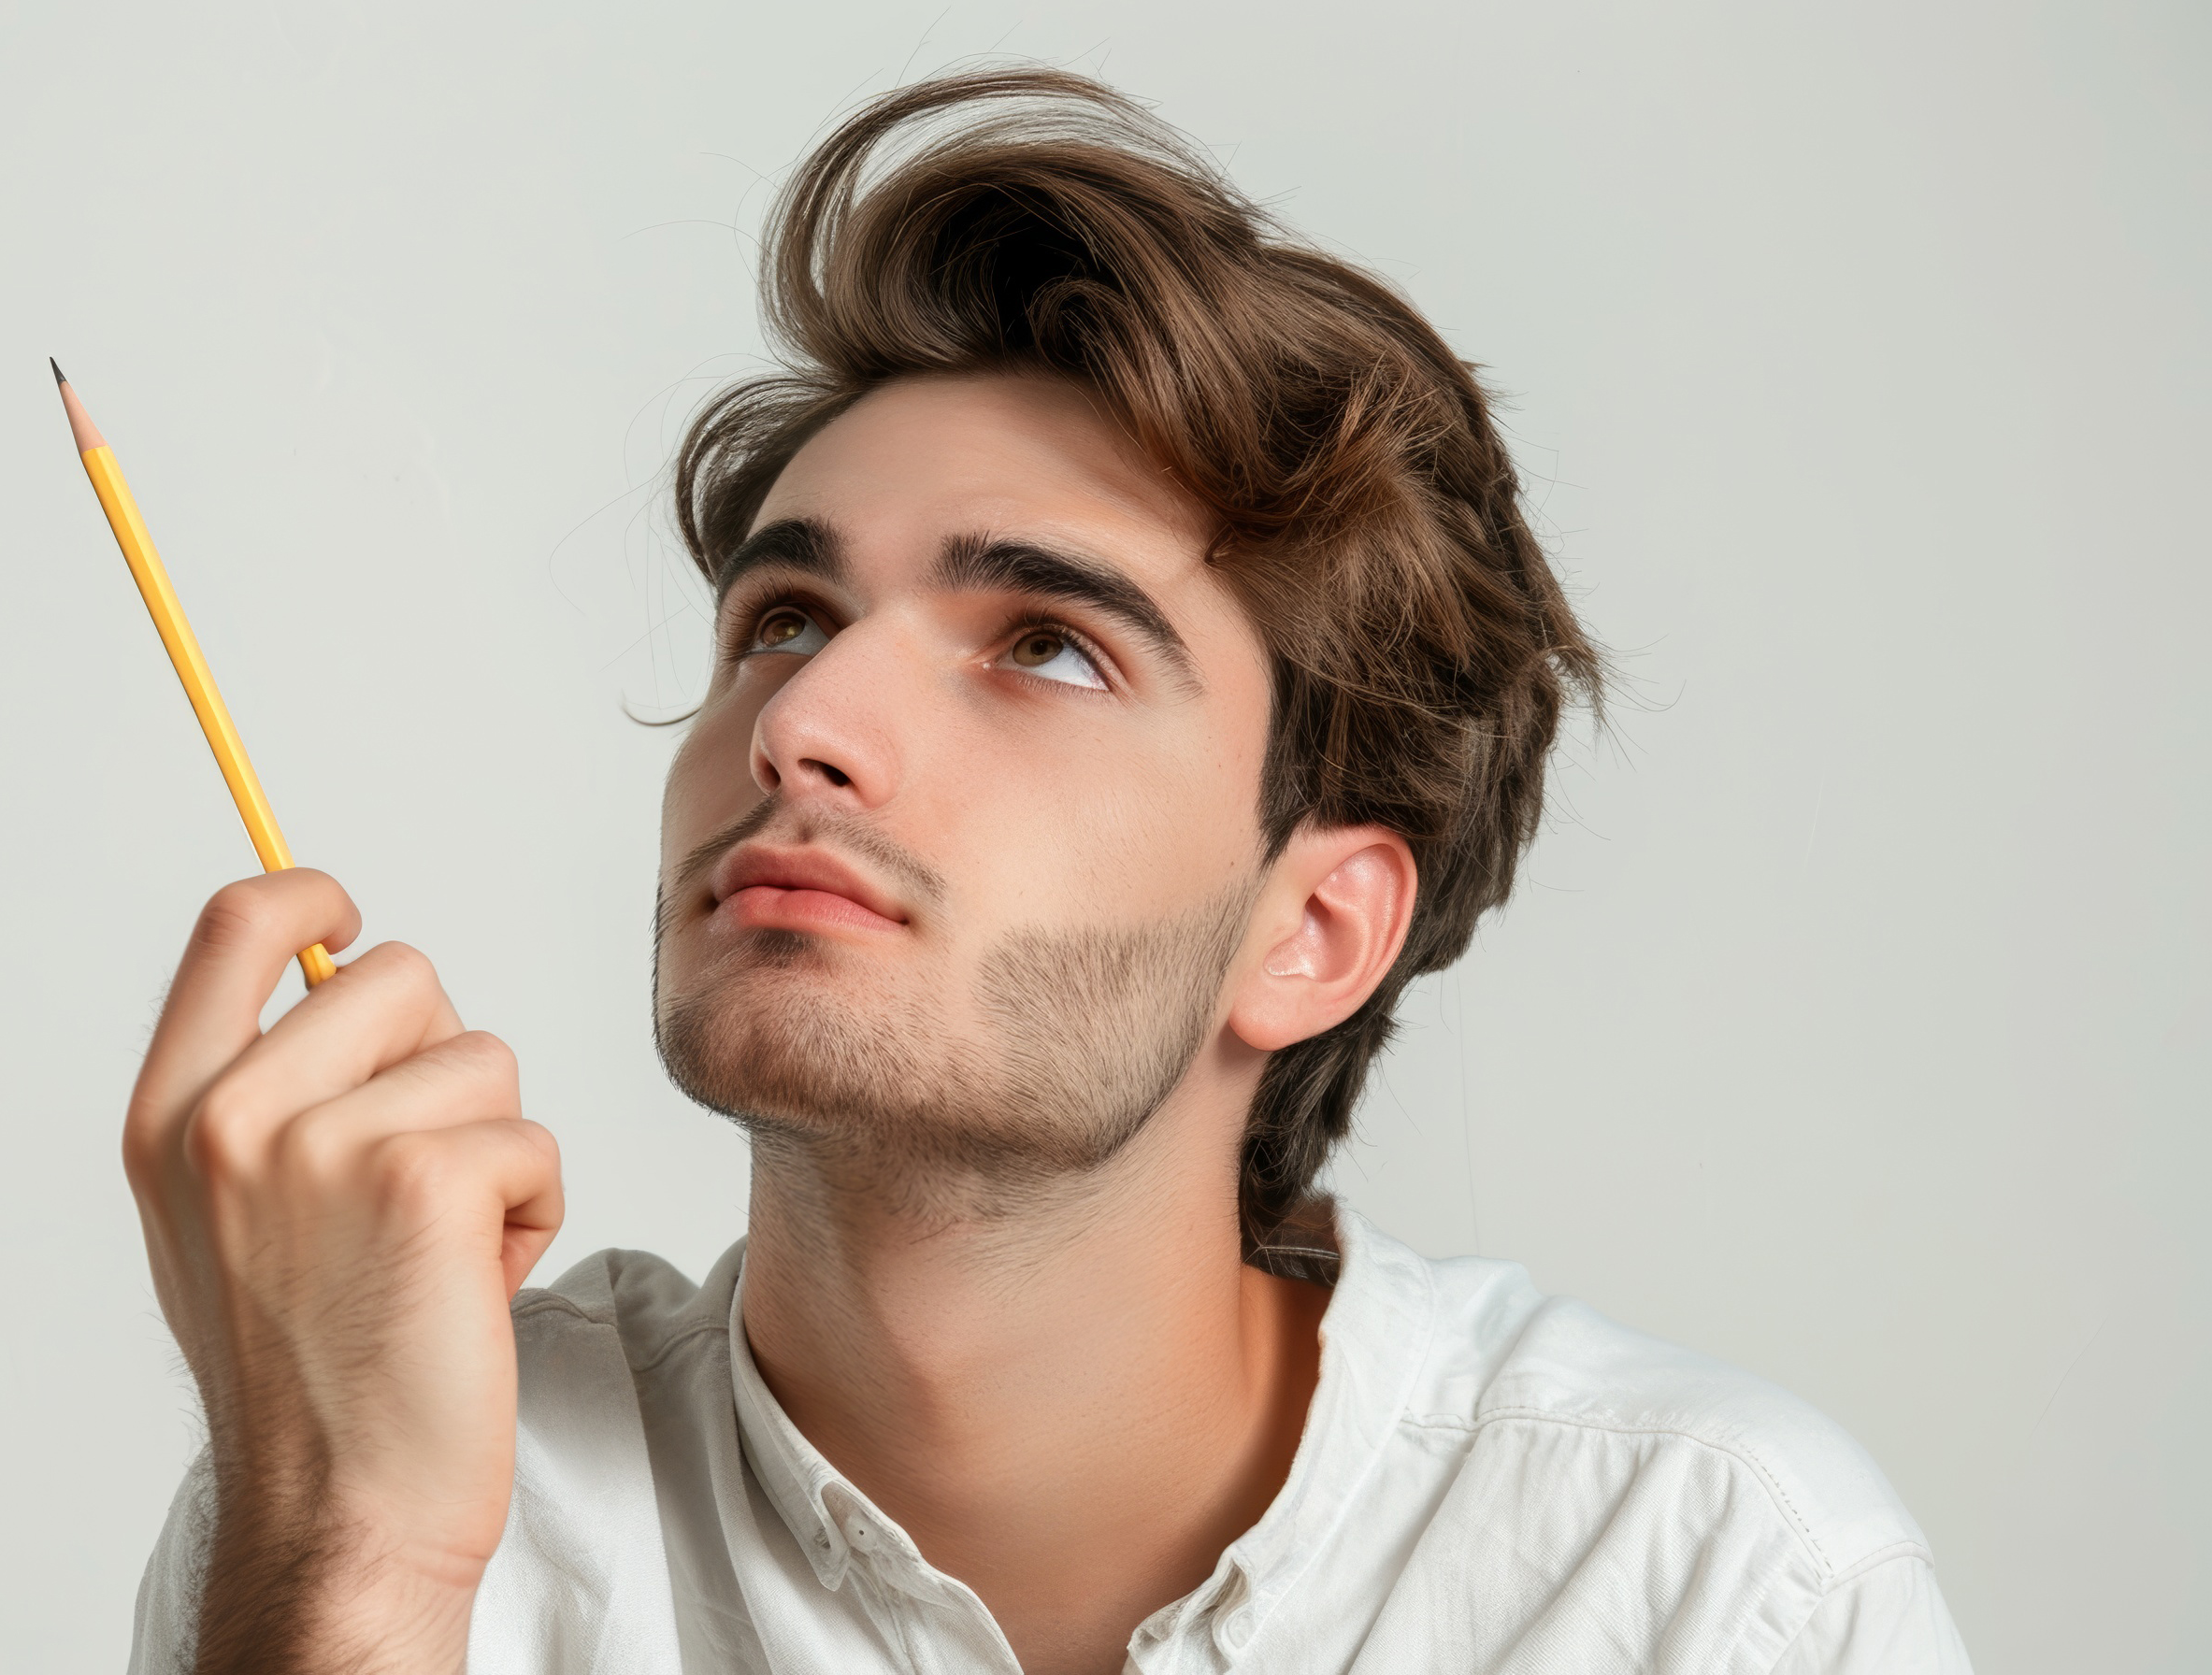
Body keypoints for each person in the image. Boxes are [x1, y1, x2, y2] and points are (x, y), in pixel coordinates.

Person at [122, 69, 1972, 1675]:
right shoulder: (378, 1478)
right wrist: (352, 1559)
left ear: (1311, 930)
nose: (805, 717)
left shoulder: (1707, 1587)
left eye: (1045, 645)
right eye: (783, 616)